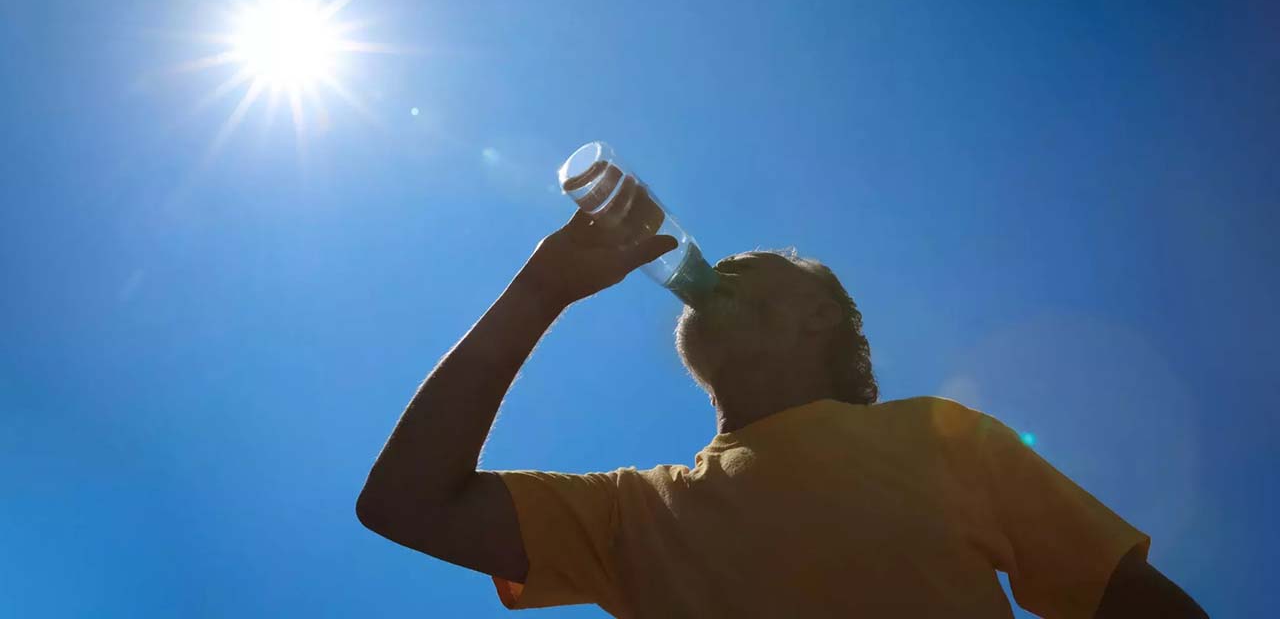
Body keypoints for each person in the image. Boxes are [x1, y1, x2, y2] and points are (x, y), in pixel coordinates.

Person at [356, 209, 1207, 618]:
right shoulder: (637, 511)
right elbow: (405, 503)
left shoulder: (937, 437)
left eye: (758, 267)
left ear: (821, 316)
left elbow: (1131, 601)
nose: (721, 265)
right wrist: (540, 290)